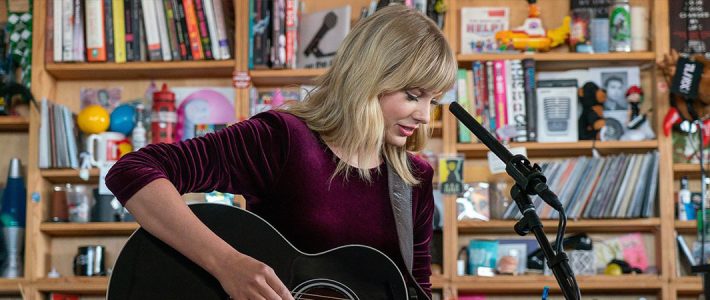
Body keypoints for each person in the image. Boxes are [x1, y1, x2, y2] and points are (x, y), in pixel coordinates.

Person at [105, 4, 456, 300]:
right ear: (370, 78)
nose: (425, 115)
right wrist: (225, 263)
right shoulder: (284, 139)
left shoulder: (414, 177)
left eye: (433, 100)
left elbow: (414, 288)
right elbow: (134, 169)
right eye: (413, 95)